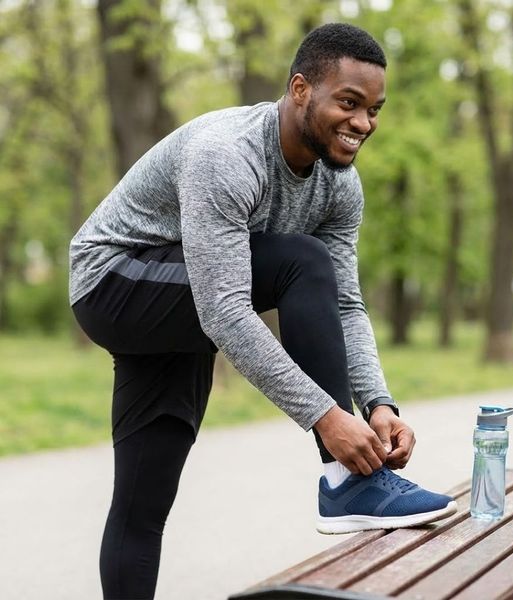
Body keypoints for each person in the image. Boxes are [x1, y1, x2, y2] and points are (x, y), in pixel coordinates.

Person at [69, 22, 457, 600]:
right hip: (114, 279)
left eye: (374, 109)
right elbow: (225, 311)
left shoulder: (339, 187)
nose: (363, 124)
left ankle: (349, 479)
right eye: (348, 103)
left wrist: (378, 403)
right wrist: (328, 418)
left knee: (142, 505)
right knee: (299, 259)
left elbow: (343, 303)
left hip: (180, 303)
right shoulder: (226, 154)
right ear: (300, 90)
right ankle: (345, 482)